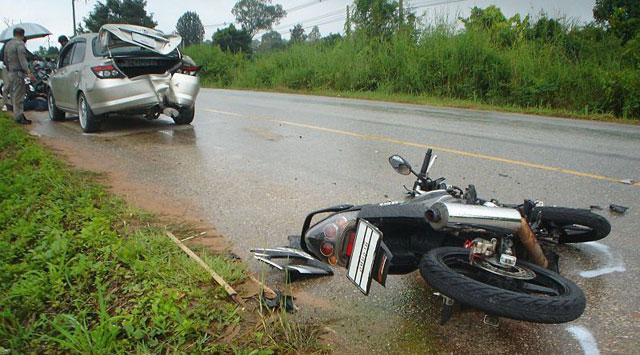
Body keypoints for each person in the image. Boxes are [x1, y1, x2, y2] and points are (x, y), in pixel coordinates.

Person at [3, 27, 35, 124]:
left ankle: (18, 114)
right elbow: (22, 59)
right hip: (18, 73)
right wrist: (28, 72)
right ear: (22, 34)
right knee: (19, 96)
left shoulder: (8, 44)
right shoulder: (19, 44)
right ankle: (18, 116)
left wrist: (10, 70)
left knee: (13, 95)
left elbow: (5, 60)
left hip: (11, 72)